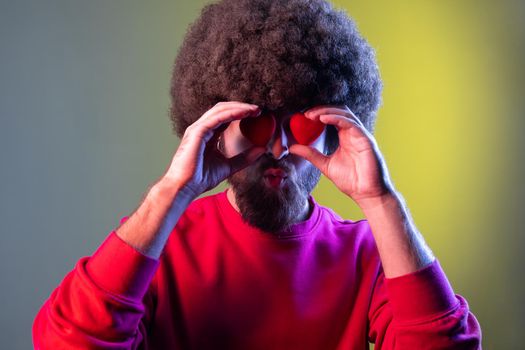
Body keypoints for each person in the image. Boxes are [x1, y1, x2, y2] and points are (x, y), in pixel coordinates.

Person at [33, 0, 482, 349]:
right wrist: (171, 192)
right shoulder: (158, 243)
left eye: (304, 125)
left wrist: (382, 201)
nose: (279, 148)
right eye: (257, 124)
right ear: (214, 121)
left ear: (338, 127)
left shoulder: (370, 252)